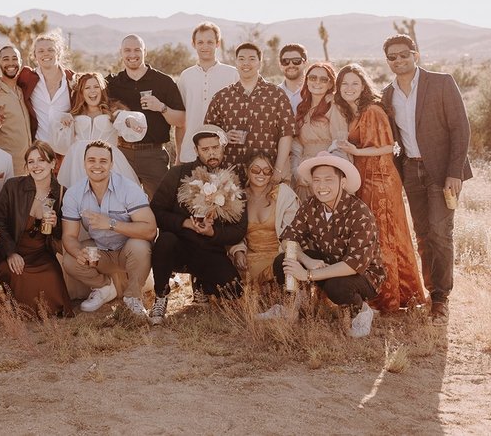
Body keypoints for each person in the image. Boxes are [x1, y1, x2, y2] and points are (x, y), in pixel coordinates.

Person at [381, 34, 471, 321]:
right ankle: (432, 292)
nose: (399, 60)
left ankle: (442, 298)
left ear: (415, 54)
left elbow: (461, 129)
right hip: (410, 171)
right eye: (392, 57)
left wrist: (454, 173)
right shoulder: (387, 94)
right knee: (422, 236)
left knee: (441, 233)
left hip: (442, 171)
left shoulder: (441, 82)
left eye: (404, 54)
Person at [261, 152, 386, 339]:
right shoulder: (311, 205)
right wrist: (306, 260)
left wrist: (308, 275)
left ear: (342, 183)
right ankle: (291, 306)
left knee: (337, 287)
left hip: (363, 274)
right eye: (317, 180)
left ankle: (362, 313)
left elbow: (353, 264)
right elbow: (288, 237)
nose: (321, 186)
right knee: (284, 260)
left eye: (328, 180)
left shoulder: (359, 212)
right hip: (325, 263)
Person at [336, 63, 427, 313]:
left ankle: (391, 296)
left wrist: (356, 151)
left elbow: (388, 147)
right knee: (372, 235)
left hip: (380, 178)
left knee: (385, 235)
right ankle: (379, 291)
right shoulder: (352, 112)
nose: (349, 88)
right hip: (364, 177)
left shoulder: (373, 110)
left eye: (355, 83)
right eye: (344, 83)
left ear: (364, 85)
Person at [148, 125, 247, 325]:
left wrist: (213, 232)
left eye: (215, 148)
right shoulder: (178, 174)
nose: (211, 153)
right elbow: (156, 211)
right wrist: (185, 223)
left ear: (223, 147)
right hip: (178, 246)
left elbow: (238, 230)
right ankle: (161, 295)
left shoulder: (233, 180)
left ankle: (202, 283)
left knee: (234, 290)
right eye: (205, 149)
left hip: (209, 249)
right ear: (196, 150)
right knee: (165, 241)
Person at [60, 140, 158, 317]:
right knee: (70, 259)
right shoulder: (74, 194)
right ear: (84, 163)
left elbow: (150, 230)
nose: (97, 165)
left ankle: (133, 298)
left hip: (127, 250)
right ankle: (104, 287)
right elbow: (69, 236)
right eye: (91, 160)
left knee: (141, 246)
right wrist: (77, 252)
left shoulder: (129, 188)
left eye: (103, 161)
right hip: (100, 252)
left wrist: (112, 224)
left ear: (111, 164)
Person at [0, 141, 74, 317]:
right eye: (31, 161)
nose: (36, 166)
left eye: (41, 160)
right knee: (19, 273)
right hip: (11, 250)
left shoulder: (61, 193)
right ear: (26, 166)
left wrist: (56, 224)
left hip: (41, 254)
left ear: (52, 163)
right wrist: (11, 252)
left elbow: (63, 235)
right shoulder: (13, 187)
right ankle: (21, 310)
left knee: (51, 278)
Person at [105, 34, 186, 197]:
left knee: (160, 207)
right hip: (122, 153)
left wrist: (161, 107)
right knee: (122, 205)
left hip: (154, 156)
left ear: (145, 52)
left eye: (137, 50)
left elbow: (181, 120)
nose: (132, 54)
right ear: (121, 53)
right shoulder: (112, 83)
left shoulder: (163, 82)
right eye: (127, 50)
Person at [204, 42, 294, 183]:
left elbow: (286, 134)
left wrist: (277, 170)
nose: (246, 63)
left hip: (265, 174)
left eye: (252, 59)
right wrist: (223, 136)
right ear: (236, 62)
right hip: (229, 175)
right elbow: (207, 134)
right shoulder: (221, 97)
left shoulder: (277, 95)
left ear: (260, 63)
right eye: (241, 59)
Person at [52, 71, 146, 189]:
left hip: (105, 159)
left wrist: (130, 121)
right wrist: (65, 121)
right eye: (87, 87)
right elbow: (63, 144)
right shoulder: (74, 114)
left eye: (96, 87)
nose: (92, 91)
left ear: (102, 90)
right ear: (81, 92)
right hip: (78, 161)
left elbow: (123, 117)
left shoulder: (111, 111)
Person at [229, 151, 300, 285]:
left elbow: (293, 232)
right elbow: (231, 231)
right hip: (249, 259)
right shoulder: (238, 198)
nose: (261, 174)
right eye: (256, 169)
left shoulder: (283, 194)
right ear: (246, 170)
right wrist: (238, 251)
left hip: (279, 255)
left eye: (267, 171)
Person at [175, 22, 239, 164]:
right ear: (194, 44)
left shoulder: (233, 74)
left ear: (217, 43)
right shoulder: (186, 76)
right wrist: (179, 156)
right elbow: (181, 121)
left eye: (210, 42)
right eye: (200, 42)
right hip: (190, 154)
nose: (205, 46)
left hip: (224, 153)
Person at [290, 62, 350, 199]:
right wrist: (297, 172)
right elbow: (296, 145)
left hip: (327, 171)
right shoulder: (302, 109)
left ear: (330, 84)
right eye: (312, 78)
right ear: (307, 81)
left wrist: (323, 171)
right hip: (304, 172)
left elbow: (340, 143)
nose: (317, 82)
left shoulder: (334, 107)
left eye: (323, 79)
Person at [0, 45, 34, 175]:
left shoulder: (22, 91)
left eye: (14, 58)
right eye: (6, 59)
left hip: (28, 168)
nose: (11, 63)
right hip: (6, 170)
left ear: (20, 62)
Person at [278, 43, 308, 114]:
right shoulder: (273, 94)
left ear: (305, 63)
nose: (291, 65)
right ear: (280, 65)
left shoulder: (316, 91)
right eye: (285, 61)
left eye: (296, 60)